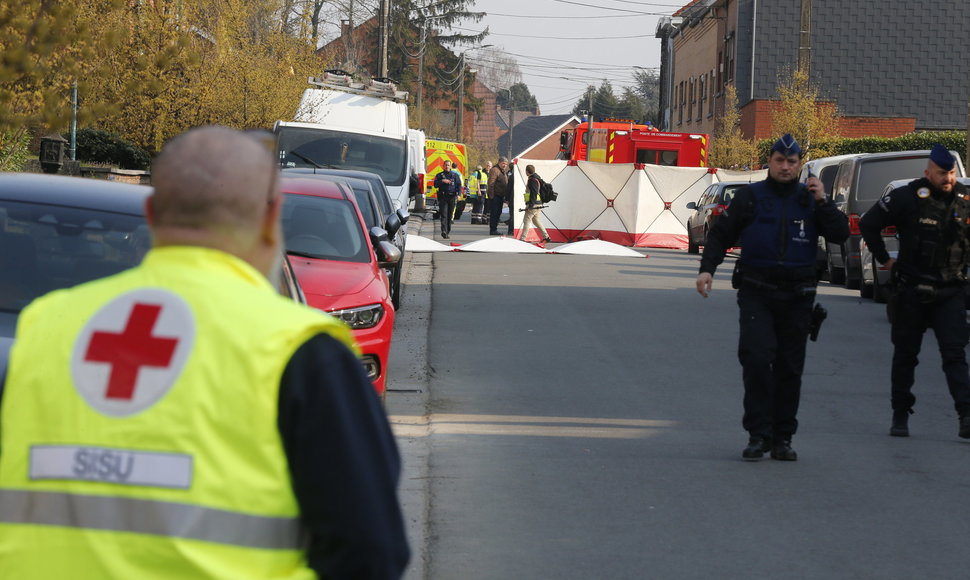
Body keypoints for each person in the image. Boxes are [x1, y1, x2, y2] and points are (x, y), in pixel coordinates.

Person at [0, 126, 410, 579]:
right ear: (272, 216)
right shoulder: (299, 350)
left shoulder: (47, 327)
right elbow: (370, 552)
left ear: (152, 212)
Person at [695, 134, 849, 462]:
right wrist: (707, 268)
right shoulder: (751, 196)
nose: (785, 166)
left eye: (792, 162)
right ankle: (757, 434)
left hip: (798, 295)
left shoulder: (810, 199)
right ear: (771, 161)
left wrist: (823, 201)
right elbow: (721, 234)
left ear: (799, 165)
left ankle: (782, 438)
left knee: (789, 368)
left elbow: (840, 234)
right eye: (780, 160)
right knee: (755, 359)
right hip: (757, 291)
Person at [859, 144, 970, 439]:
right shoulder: (907, 196)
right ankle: (900, 414)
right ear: (927, 172)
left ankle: (966, 415)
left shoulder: (964, 200)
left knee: (955, 355)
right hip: (912, 290)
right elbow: (869, 224)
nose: (947, 178)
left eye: (950, 172)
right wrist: (884, 258)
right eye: (941, 172)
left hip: (950, 290)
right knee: (906, 356)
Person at [520, 165, 551, 243]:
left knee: (526, 220)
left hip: (533, 204)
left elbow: (533, 193)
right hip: (538, 203)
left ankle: (522, 239)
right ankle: (546, 237)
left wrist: (531, 205)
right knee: (536, 220)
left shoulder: (532, 180)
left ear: (527, 171)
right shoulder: (537, 179)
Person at [433, 159, 462, 239]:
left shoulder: (455, 175)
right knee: (444, 215)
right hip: (443, 197)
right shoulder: (439, 175)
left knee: (449, 215)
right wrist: (442, 181)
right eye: (445, 165)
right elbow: (435, 185)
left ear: (450, 166)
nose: (447, 166)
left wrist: (459, 195)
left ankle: (447, 230)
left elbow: (459, 186)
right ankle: (444, 231)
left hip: (452, 197)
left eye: (448, 165)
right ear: (443, 166)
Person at [488, 157, 509, 235]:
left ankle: (495, 228)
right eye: (503, 163)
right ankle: (493, 229)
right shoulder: (495, 170)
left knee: (498, 213)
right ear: (499, 162)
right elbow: (491, 183)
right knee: (494, 213)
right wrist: (491, 196)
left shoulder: (502, 171)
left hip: (500, 196)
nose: (505, 165)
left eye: (506, 164)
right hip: (495, 196)